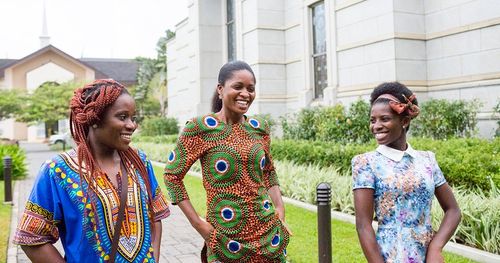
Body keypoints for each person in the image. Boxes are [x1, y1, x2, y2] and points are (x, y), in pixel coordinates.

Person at [14, 79, 170, 262]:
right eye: (122, 117)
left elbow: (155, 216)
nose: (131, 125)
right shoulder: (57, 171)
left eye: (133, 118)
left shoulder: (140, 162)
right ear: (94, 118)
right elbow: (31, 238)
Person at [164, 60, 290, 262]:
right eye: (238, 87)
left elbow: (268, 171)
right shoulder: (200, 128)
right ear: (220, 90)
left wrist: (280, 210)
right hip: (225, 238)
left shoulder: (259, 127)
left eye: (251, 88)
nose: (245, 94)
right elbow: (172, 176)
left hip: (269, 235)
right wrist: (199, 224)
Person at [352, 82, 461, 263]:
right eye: (373, 120)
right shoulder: (365, 163)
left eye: (384, 119)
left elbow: (453, 211)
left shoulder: (427, 160)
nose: (376, 126)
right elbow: (363, 226)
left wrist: (435, 248)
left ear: (404, 121)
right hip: (390, 256)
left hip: (427, 257)